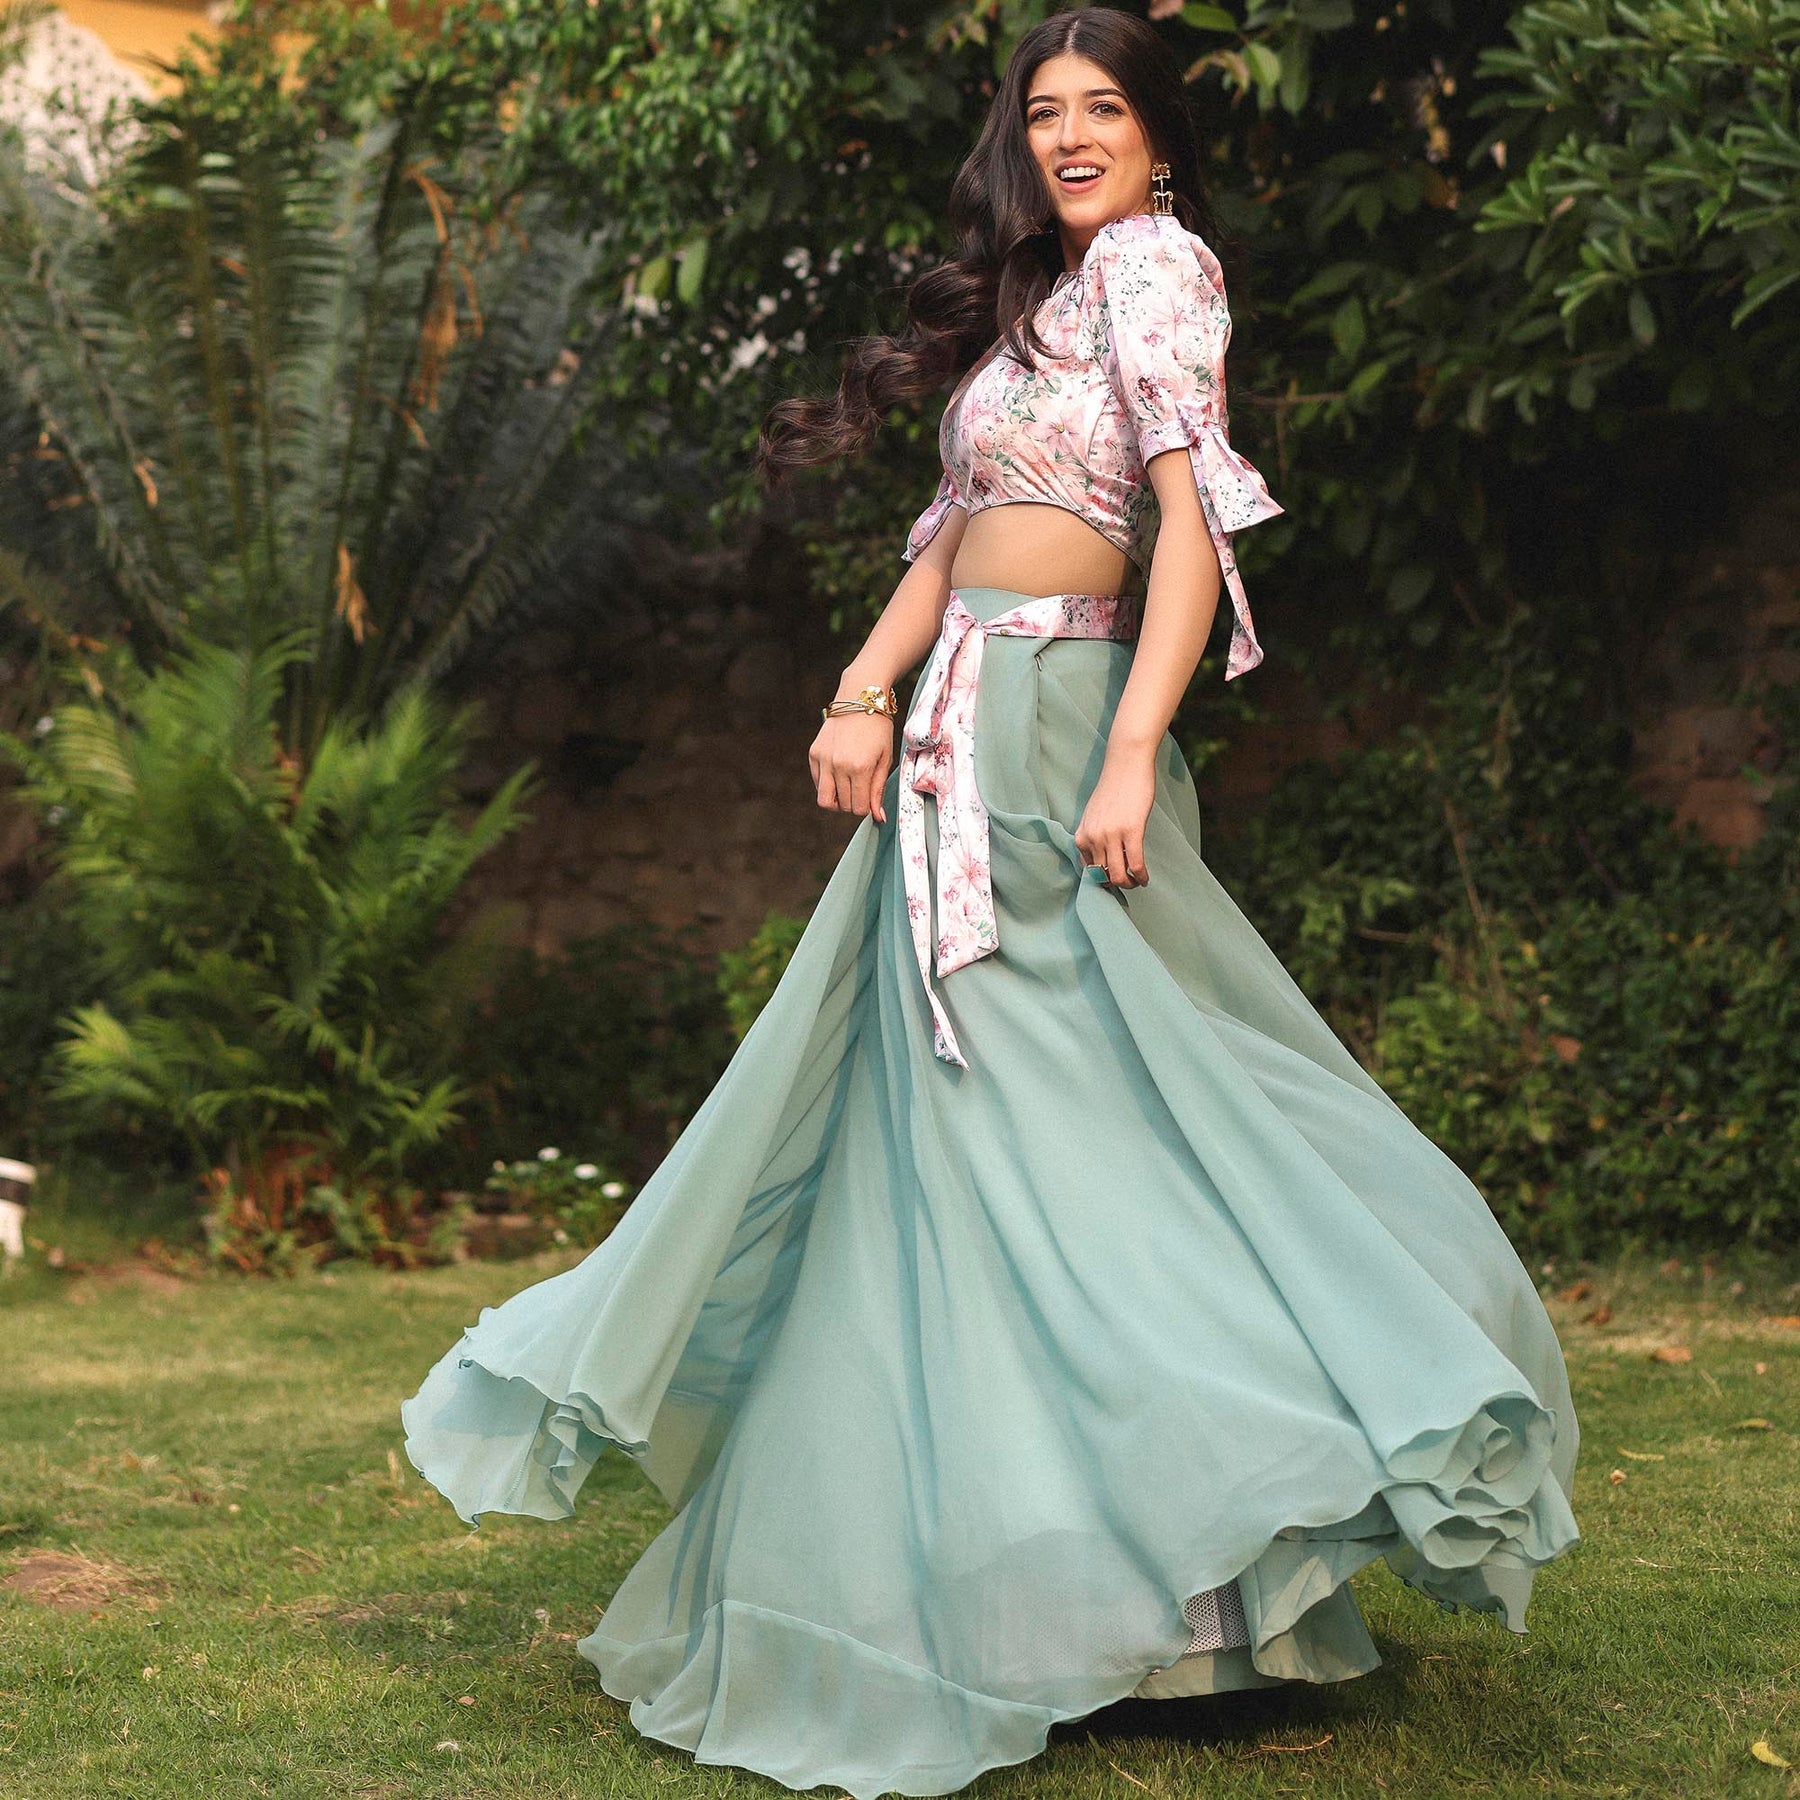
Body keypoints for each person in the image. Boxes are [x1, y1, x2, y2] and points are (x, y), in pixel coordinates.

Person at [400, 13, 1581, 1798]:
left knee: (1115, 1129)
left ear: (1159, 135)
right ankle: (1039, 1594)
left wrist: (1130, 748)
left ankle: (1204, 1547)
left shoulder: (1161, 274)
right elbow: (947, 533)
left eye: (1104, 108)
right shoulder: (1032, 313)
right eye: (1046, 114)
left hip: (1058, 737)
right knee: (947, 1152)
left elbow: (1189, 534)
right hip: (951, 742)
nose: (1074, 135)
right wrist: (856, 692)